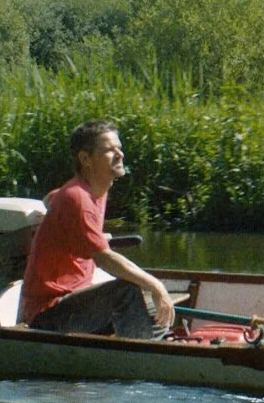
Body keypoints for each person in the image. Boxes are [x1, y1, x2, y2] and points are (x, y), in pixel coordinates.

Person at [20, 119, 175, 339]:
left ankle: (151, 341)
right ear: (85, 159)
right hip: (47, 315)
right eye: (109, 151)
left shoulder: (89, 190)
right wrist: (156, 286)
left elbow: (50, 199)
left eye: (119, 148)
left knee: (149, 304)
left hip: (75, 300)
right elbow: (104, 259)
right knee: (127, 291)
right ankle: (145, 357)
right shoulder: (77, 198)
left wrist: (73, 227)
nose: (119, 155)